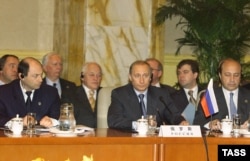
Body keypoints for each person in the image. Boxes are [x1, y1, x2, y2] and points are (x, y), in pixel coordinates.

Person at [107, 60, 187, 130]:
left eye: (145, 75)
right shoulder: (119, 94)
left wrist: (181, 121)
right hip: (129, 140)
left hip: (155, 141)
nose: (142, 81)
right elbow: (114, 120)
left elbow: (173, 115)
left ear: (150, 77)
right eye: (137, 76)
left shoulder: (161, 94)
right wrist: (139, 125)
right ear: (130, 77)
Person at [0, 57, 60, 127]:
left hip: (41, 137)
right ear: (21, 76)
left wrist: (51, 120)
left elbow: (58, 116)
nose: (40, 79)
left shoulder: (51, 93)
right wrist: (18, 122)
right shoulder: (3, 92)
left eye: (41, 75)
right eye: (35, 76)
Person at [193, 58, 250, 130]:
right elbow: (197, 122)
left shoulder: (248, 95)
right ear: (220, 75)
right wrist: (210, 125)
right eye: (227, 75)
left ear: (240, 76)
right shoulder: (210, 96)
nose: (232, 79)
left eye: (236, 75)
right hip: (218, 140)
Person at [171, 59, 204, 124]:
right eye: (179, 73)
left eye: (185, 72)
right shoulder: (172, 98)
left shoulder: (206, 94)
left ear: (195, 75)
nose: (181, 76)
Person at [73, 62, 102, 128]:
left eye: (99, 75)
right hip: (79, 135)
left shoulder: (105, 94)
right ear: (82, 77)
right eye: (92, 75)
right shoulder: (71, 94)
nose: (96, 78)